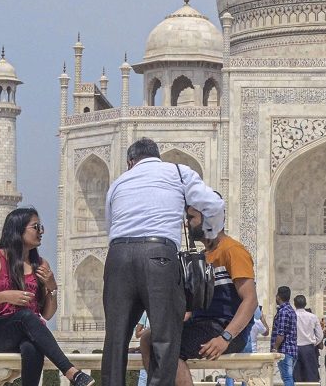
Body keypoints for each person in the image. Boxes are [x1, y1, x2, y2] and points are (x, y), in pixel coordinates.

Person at [103, 138, 224, 386]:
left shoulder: (118, 183)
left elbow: (110, 225)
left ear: (130, 162)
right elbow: (214, 204)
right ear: (158, 156)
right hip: (158, 257)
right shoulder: (178, 172)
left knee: (115, 339)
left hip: (117, 258)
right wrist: (210, 233)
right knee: (164, 337)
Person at [0, 207, 93, 386]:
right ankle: (70, 371)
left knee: (32, 346)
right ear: (18, 229)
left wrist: (52, 288)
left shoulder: (41, 265)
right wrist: (5, 296)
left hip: (28, 330)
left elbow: (47, 314)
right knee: (26, 317)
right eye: (36, 227)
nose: (41, 232)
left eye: (41, 227)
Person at [139, 204, 258, 386]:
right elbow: (191, 310)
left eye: (191, 218)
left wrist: (225, 338)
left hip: (224, 329)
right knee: (150, 337)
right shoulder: (203, 257)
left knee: (167, 347)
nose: (187, 224)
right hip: (204, 326)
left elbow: (250, 300)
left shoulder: (233, 251)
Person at [272, 286, 299, 386]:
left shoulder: (283, 311)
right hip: (292, 349)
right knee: (288, 377)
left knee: (287, 378)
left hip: (285, 350)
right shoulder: (291, 310)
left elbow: (281, 333)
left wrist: (275, 348)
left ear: (278, 297)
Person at [294, 295, 323, 383]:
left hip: (295, 348)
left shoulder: (292, 315)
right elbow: (320, 335)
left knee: (296, 375)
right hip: (309, 348)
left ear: (294, 304)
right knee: (311, 375)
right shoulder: (312, 317)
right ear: (305, 304)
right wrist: (313, 343)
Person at [134, 313, 150, 386]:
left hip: (160, 349)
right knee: (144, 377)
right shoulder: (145, 314)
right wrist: (148, 329)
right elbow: (137, 334)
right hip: (147, 349)